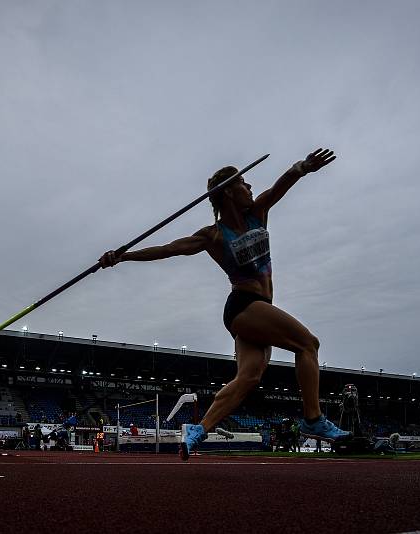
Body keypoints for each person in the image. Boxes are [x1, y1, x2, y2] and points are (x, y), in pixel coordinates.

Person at [100, 147, 352, 461]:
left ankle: (198, 429)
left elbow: (280, 186)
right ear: (229, 193)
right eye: (243, 183)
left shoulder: (258, 212)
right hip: (244, 305)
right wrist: (122, 256)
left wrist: (302, 167)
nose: (250, 187)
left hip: (257, 309)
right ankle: (313, 420)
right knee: (308, 344)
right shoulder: (214, 236)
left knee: (249, 377)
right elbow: (168, 249)